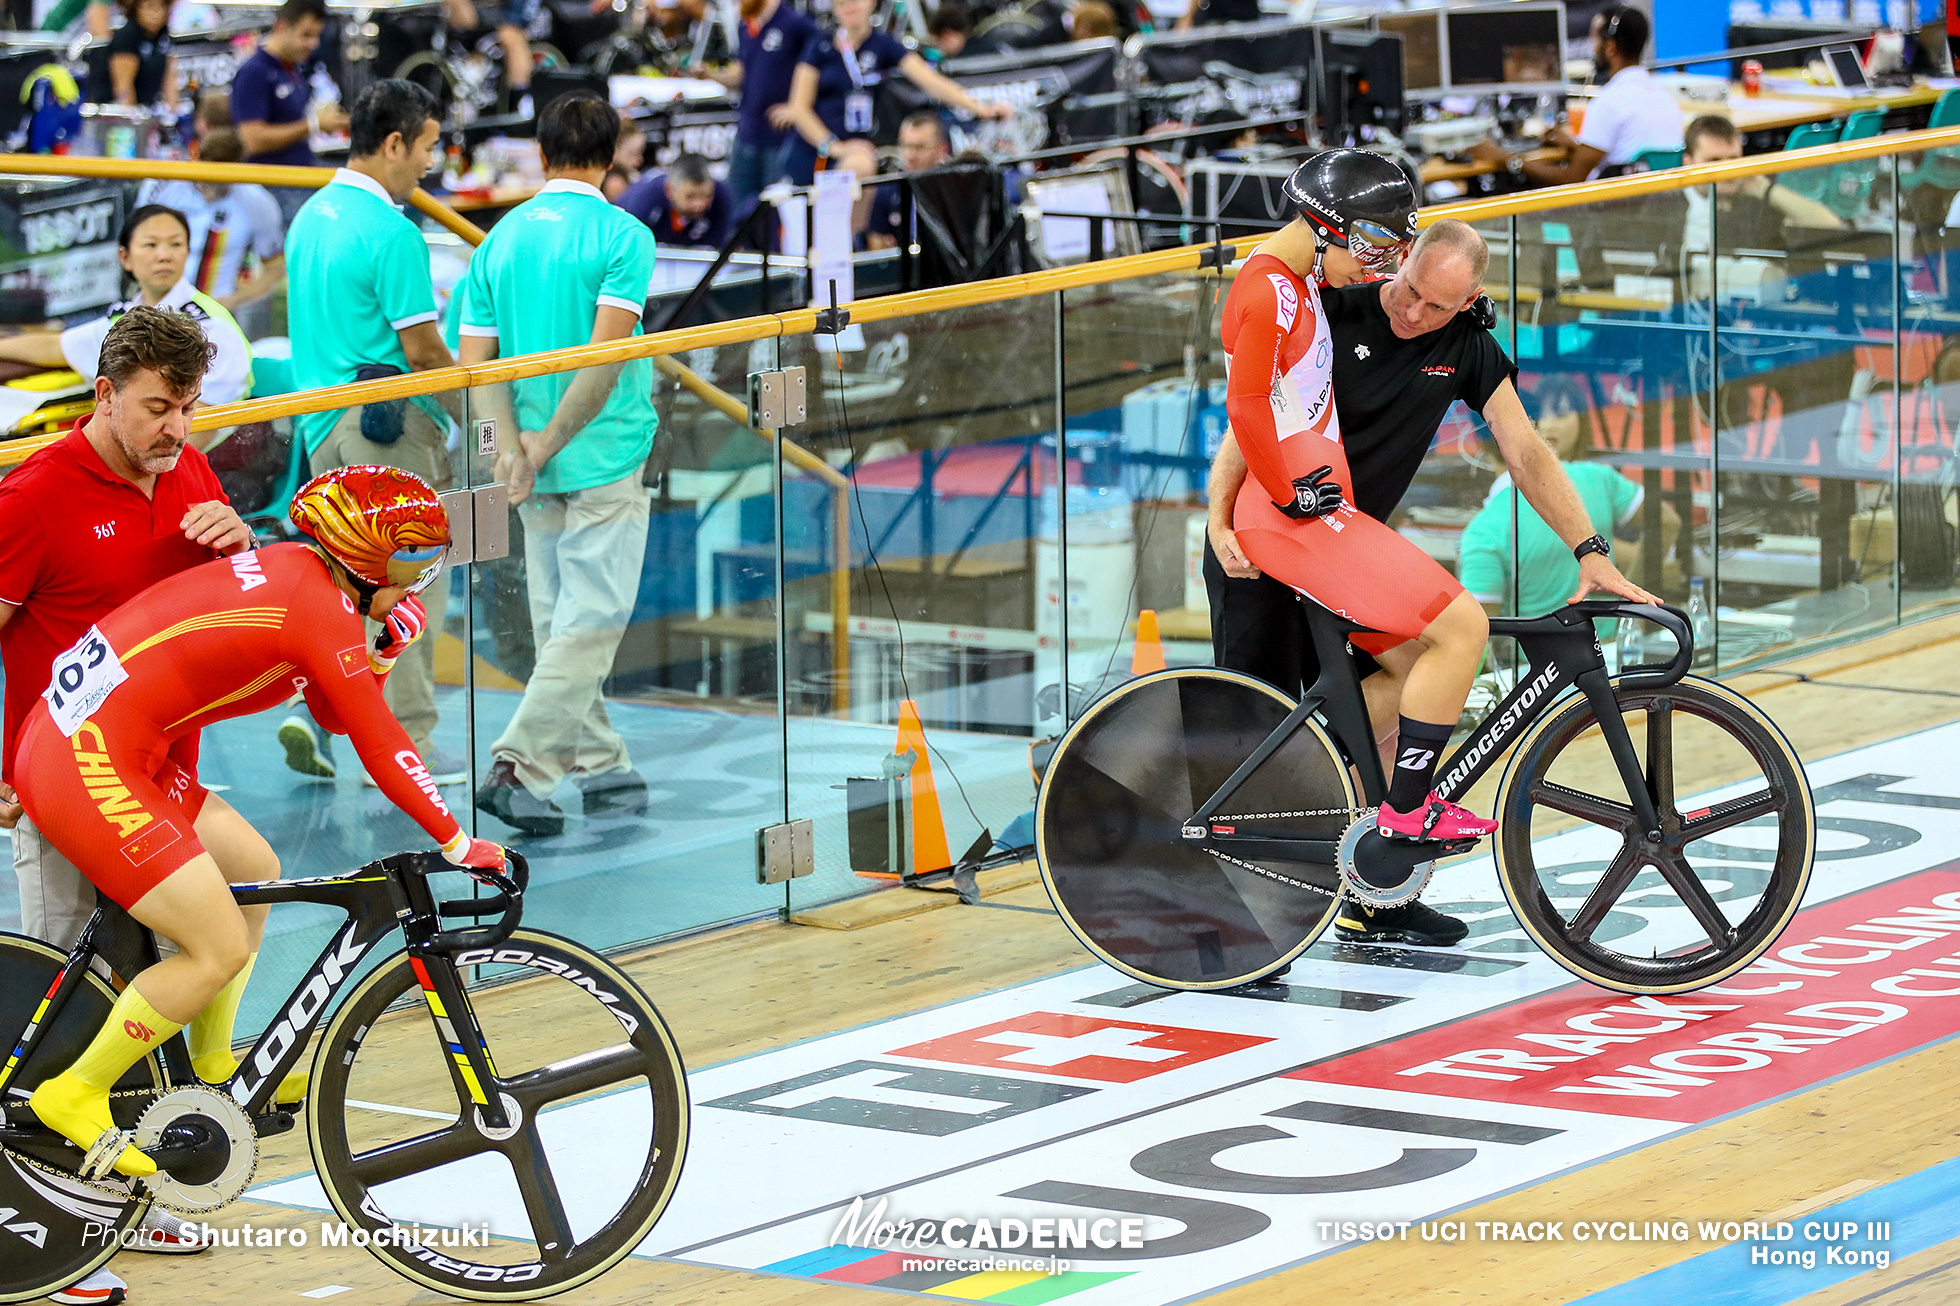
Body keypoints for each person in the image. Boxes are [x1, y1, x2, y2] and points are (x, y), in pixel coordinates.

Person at [15, 461, 507, 1188]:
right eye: (412, 569)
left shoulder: (305, 578)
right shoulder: (313, 605)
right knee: (211, 946)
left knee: (254, 867)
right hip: (87, 757)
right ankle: (74, 1091)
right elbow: (378, 742)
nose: (418, 586)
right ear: (367, 564)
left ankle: (214, 1060)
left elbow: (336, 714)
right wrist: (460, 841)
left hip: (112, 741)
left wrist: (382, 649)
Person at [1211, 152, 1654, 884]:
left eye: (1437, 306)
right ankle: (1250, 896)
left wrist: (1590, 547)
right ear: (1399, 256)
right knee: (1249, 731)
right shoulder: (1341, 291)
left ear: (1472, 300)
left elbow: (1527, 452)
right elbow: (1250, 410)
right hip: (1268, 544)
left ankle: (1374, 878)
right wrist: (1217, 517)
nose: (1412, 312)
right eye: (1409, 288)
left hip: (1344, 539)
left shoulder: (1465, 342)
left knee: (1419, 681)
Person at [0, 308, 255, 1279]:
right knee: (60, 1007)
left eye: (189, 408)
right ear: (104, 393)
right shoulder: (33, 496)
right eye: (157, 407)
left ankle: (120, 1184)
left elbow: (225, 609)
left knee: (170, 963)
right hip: (60, 785)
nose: (177, 429)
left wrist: (237, 544)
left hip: (159, 780)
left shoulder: (187, 468)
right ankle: (46, 1237)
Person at [456, 92, 657, 837]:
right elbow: (604, 361)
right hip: (599, 451)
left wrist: (511, 447)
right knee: (591, 617)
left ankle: (603, 765)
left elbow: (474, 368)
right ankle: (521, 764)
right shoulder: (623, 235)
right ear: (612, 158)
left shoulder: (497, 241)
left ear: (541, 154)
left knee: (559, 620)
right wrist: (548, 441)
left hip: (529, 460)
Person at [283, 79, 466, 787]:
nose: (431, 163)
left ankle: (320, 711)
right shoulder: (392, 232)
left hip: (321, 432)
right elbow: (422, 352)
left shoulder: (311, 218)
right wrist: (476, 413)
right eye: (426, 147)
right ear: (394, 143)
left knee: (343, 597)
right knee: (406, 594)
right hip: (384, 435)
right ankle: (407, 740)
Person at [1459, 375, 1678, 635]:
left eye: (1563, 413)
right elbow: (1667, 521)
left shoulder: (1483, 532)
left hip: (1539, 670)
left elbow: (1478, 638)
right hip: (1610, 657)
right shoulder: (1600, 479)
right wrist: (1630, 595)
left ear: (1479, 445)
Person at [0, 205, 252, 411]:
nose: (164, 255)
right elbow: (59, 346)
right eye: (151, 245)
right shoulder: (128, 317)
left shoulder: (208, 324)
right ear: (125, 257)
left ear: (188, 253)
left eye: (176, 245)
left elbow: (202, 418)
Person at [776, 0, 1011, 187]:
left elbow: (931, 81)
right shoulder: (820, 46)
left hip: (859, 150)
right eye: (841, 3)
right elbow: (799, 108)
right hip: (816, 149)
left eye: (854, 1)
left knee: (863, 168)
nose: (849, 7)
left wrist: (981, 108)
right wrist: (834, 146)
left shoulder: (882, 44)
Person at [1470, 5, 1680, 186]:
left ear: (1610, 47)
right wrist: (1574, 146)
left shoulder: (1610, 101)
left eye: (1595, 41)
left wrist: (1508, 160)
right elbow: (1620, 153)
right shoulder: (1664, 97)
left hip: (1610, 215)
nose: (1592, 48)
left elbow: (1572, 178)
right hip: (1651, 210)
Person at [135, 129, 287, 333]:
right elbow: (134, 246)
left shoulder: (258, 202)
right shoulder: (161, 185)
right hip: (158, 310)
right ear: (196, 158)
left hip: (214, 317)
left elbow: (275, 268)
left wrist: (235, 300)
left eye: (221, 181)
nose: (211, 187)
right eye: (207, 177)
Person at [232, 0, 350, 226]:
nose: (313, 44)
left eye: (316, 36)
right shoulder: (254, 73)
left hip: (301, 182)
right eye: (306, 35)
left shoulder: (292, 69)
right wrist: (313, 125)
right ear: (282, 27)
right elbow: (251, 139)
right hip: (275, 191)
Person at [709, 0, 820, 215]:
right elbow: (742, 74)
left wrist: (796, 107)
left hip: (780, 137)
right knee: (737, 209)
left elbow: (821, 66)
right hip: (747, 132)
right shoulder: (747, 26)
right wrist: (710, 74)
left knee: (776, 210)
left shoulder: (797, 25)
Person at [864, 110, 950, 250]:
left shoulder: (953, 193)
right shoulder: (886, 192)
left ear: (942, 149)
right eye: (906, 146)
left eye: (919, 147)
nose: (911, 156)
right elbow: (876, 250)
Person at [441, 0, 540, 116]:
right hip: (471, 22)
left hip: (508, 21)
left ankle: (523, 105)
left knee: (511, 37)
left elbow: (520, 19)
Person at [615, 151, 734, 248]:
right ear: (669, 190)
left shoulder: (720, 197)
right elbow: (628, 247)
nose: (699, 204)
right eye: (690, 196)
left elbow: (717, 247)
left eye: (706, 196)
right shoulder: (644, 201)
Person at [106, 0, 177, 109]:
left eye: (162, 7)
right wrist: (131, 119)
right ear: (137, 9)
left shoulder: (164, 34)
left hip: (152, 107)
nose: (156, 14)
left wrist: (173, 112)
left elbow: (169, 78)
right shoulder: (127, 37)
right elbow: (123, 88)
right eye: (150, 7)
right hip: (126, 111)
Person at [604, 120, 646, 201]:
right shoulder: (615, 183)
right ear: (615, 151)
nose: (640, 159)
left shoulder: (632, 176)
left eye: (641, 153)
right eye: (632, 154)